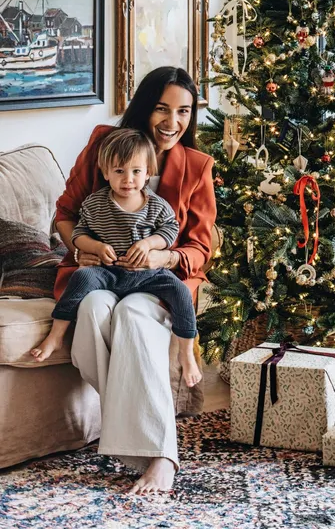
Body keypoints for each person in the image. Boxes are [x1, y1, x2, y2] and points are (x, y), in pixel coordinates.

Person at [52, 67, 216, 495]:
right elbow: (66, 213)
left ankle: (161, 455)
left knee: (132, 318)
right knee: (91, 310)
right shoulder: (104, 143)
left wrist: (164, 253)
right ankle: (134, 439)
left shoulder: (197, 166)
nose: (172, 122)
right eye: (162, 109)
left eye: (183, 111)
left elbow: (201, 247)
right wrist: (80, 248)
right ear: (144, 108)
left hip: (158, 279)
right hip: (101, 273)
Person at [33, 127, 202, 389]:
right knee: (80, 278)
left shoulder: (156, 205)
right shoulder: (94, 203)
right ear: (105, 172)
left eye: (136, 171)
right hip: (107, 272)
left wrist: (149, 245)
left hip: (147, 273)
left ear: (148, 173)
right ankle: (56, 335)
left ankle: (186, 353)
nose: (128, 179)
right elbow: (79, 233)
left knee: (180, 292)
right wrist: (96, 247)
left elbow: (170, 230)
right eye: (119, 171)